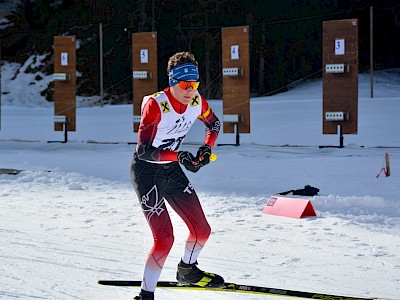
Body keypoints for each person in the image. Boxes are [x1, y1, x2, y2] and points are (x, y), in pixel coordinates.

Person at [130, 51, 224, 300]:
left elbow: (214, 124)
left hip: (171, 169)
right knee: (165, 239)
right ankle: (145, 295)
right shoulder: (156, 104)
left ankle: (187, 270)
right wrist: (179, 156)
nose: (190, 90)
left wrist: (206, 148)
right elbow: (144, 151)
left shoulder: (196, 102)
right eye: (185, 85)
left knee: (202, 230)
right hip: (147, 172)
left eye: (195, 84)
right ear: (173, 82)